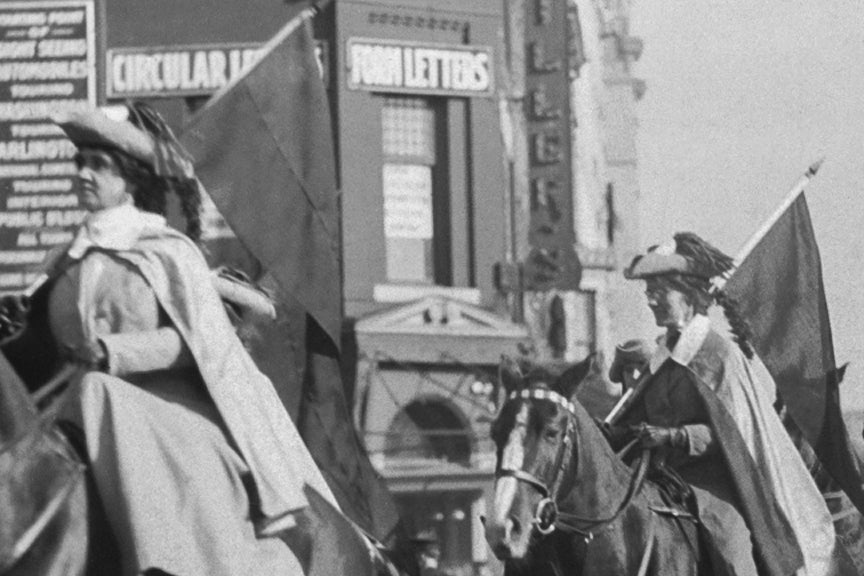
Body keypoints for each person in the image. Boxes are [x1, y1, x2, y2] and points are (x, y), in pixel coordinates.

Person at [0, 104, 337, 575]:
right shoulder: (64, 260)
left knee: (101, 390)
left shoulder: (166, 252)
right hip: (72, 408)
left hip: (166, 407)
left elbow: (200, 344)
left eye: (98, 165)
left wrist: (114, 352)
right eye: (80, 163)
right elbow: (47, 353)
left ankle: (164, 561)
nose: (83, 174)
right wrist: (18, 327)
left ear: (130, 181)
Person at [609, 232, 836, 576]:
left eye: (659, 291)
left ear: (688, 294)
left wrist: (674, 436)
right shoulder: (661, 355)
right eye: (648, 292)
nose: (651, 300)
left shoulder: (720, 356)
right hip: (656, 479)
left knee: (731, 551)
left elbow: (734, 433)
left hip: (714, 484)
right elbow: (632, 418)